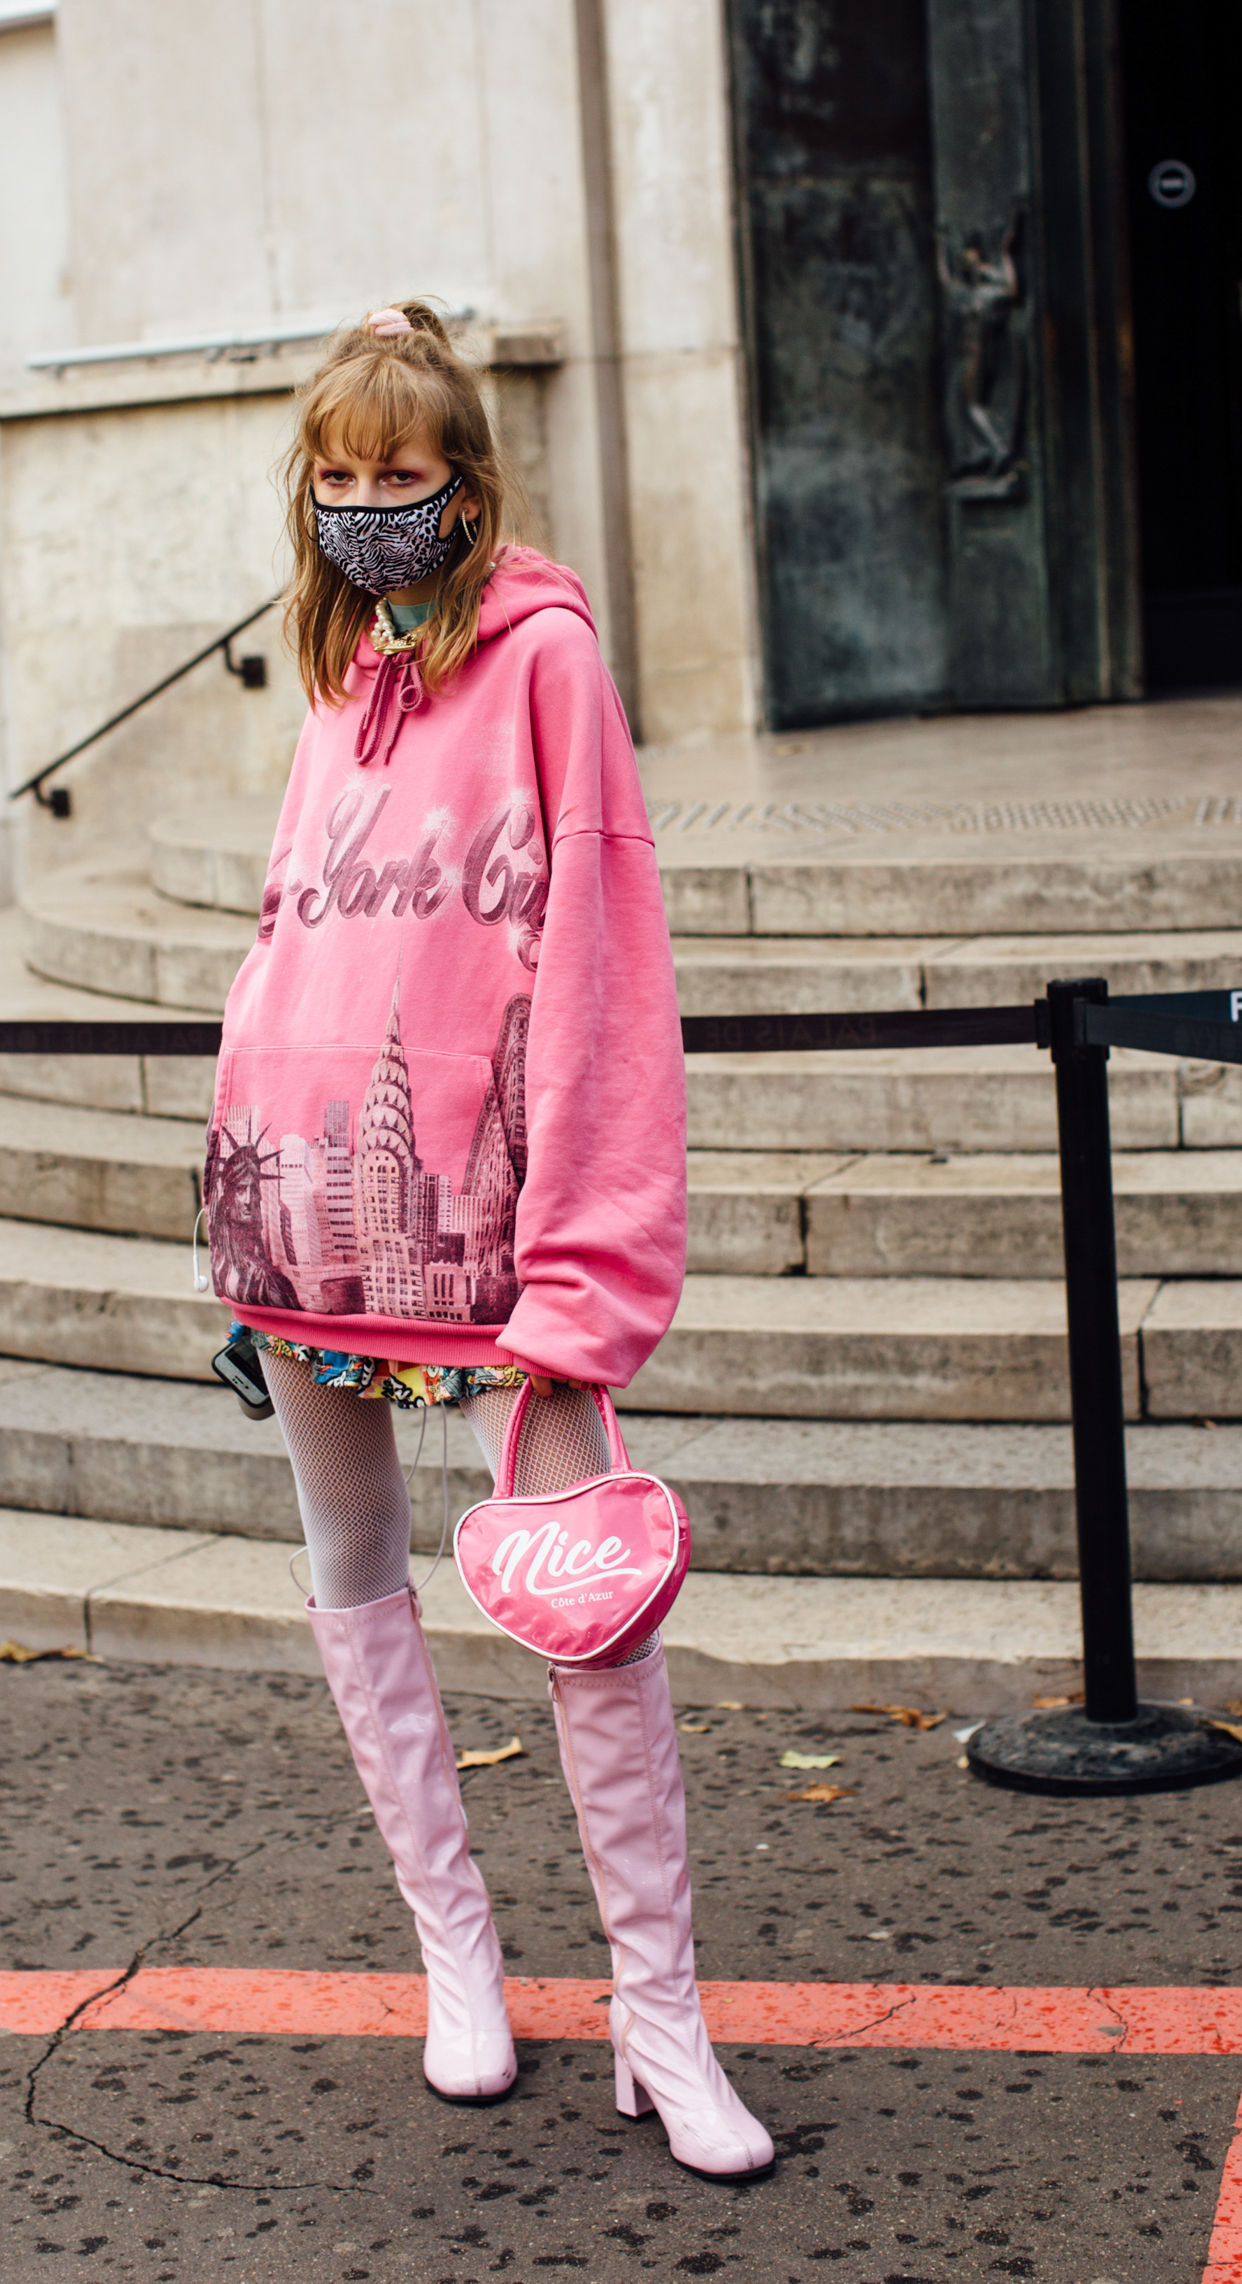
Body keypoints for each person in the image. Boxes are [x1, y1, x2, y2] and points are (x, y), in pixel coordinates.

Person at [203, 302, 774, 2184]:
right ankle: (459, 1955)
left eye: (404, 471)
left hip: (490, 1231)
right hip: (303, 1216)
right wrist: (237, 1165)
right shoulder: (336, 669)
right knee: (351, 1562)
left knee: (585, 1604)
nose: (372, 503)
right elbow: (300, 938)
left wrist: (584, 1274)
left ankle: (660, 2015)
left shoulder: (544, 663)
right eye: (341, 476)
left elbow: (605, 971)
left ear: (468, 476)